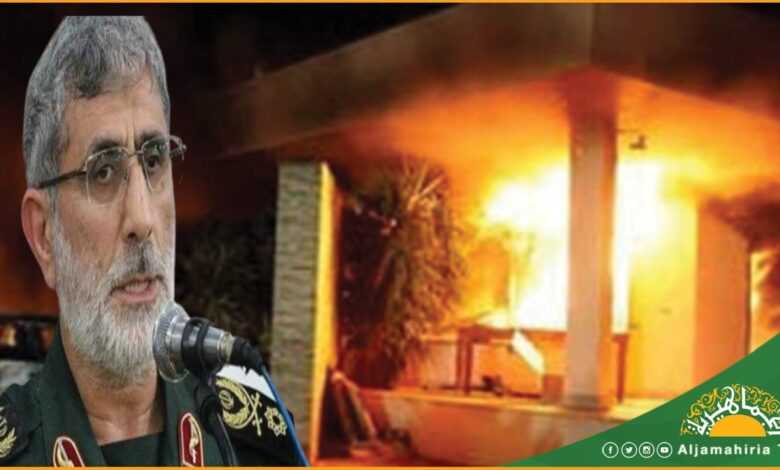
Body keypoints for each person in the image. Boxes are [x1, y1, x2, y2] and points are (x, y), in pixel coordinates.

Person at [0, 16, 298, 466]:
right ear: (44, 235)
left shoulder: (248, 435)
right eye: (102, 171)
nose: (142, 219)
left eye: (155, 160)